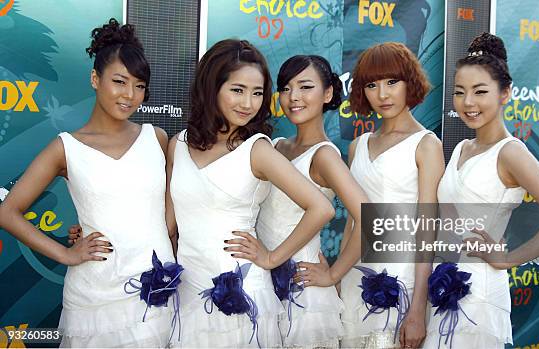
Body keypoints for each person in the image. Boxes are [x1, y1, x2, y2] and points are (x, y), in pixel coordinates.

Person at [0, 19, 176, 347]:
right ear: (95, 79)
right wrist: (66, 254)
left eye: (140, 85)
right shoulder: (65, 147)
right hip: (94, 296)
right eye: (119, 81)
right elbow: (8, 212)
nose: (130, 95)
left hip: (153, 291)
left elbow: (171, 212)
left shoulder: (158, 139)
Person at [166, 39, 335, 348]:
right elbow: (168, 225)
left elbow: (321, 208)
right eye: (238, 90)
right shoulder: (177, 144)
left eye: (257, 93)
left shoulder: (256, 149)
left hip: (242, 292)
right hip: (189, 289)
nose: (248, 103)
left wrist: (271, 257)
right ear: (212, 87)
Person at [422, 32, 539, 349]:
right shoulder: (461, 149)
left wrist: (509, 258)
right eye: (460, 92)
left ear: (505, 93)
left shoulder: (511, 152)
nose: (468, 102)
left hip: (479, 294)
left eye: (480, 92)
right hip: (445, 285)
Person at [300, 42, 445, 349]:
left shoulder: (426, 144)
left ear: (411, 82)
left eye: (392, 82)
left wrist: (418, 307)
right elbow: (354, 223)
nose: (382, 94)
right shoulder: (358, 145)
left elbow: (427, 230)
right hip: (354, 279)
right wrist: (336, 278)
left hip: (399, 281)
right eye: (372, 84)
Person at [253, 55, 368, 348]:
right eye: (286, 88)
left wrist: (333, 274)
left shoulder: (325, 156)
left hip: (303, 296)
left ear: (328, 93)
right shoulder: (275, 146)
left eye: (305, 87)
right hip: (262, 286)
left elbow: (371, 218)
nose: (294, 97)